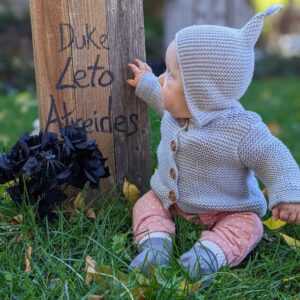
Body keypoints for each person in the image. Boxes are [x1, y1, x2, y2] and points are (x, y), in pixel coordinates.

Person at [126, 4, 300, 285]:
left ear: (201, 92)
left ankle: (210, 255)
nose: (162, 79)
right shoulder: (178, 110)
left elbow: (274, 155)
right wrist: (146, 82)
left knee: (250, 225)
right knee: (147, 204)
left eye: (170, 75)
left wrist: (288, 193)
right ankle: (154, 247)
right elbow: (161, 98)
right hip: (171, 199)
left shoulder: (243, 129)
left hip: (230, 208)